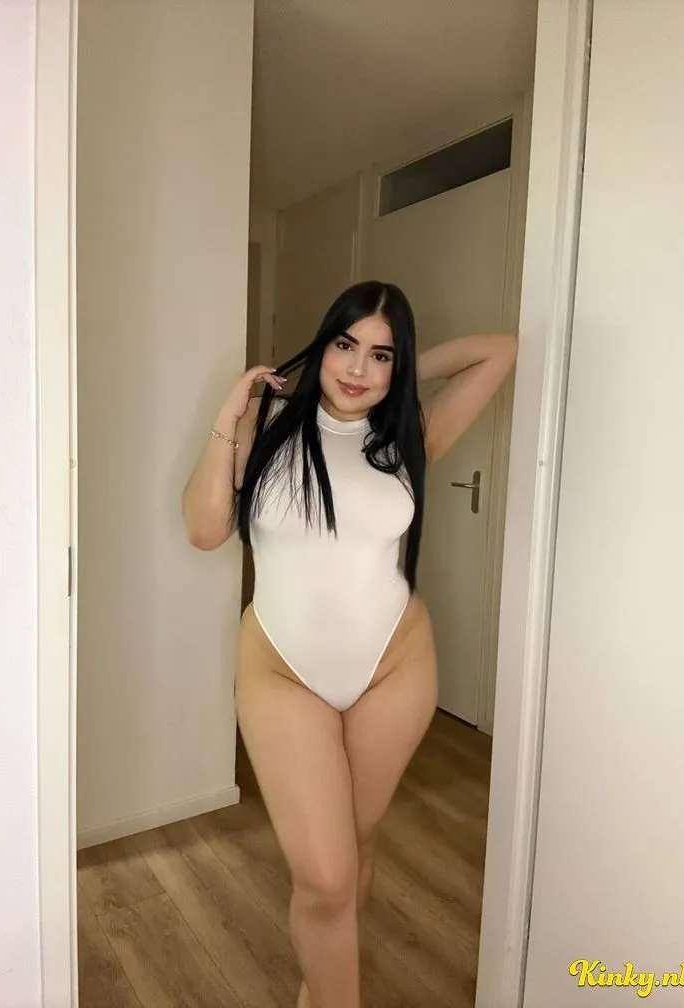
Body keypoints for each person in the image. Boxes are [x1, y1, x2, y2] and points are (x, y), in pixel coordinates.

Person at [182, 280, 518, 1008]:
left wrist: (406, 372)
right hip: (282, 671)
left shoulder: (407, 436)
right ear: (322, 344)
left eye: (381, 355)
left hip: (394, 667)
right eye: (345, 345)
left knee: (354, 848)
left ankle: (320, 986)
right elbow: (206, 531)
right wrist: (227, 416)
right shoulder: (267, 423)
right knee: (327, 875)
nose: (358, 368)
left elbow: (500, 351)